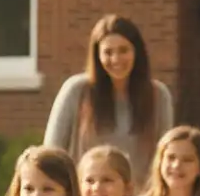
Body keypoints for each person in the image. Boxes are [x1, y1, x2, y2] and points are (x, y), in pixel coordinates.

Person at [43, 14, 174, 181]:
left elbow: (166, 157)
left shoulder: (159, 95)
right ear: (97, 56)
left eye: (123, 50)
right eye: (108, 52)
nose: (116, 59)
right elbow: (51, 153)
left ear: (137, 52)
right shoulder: (77, 90)